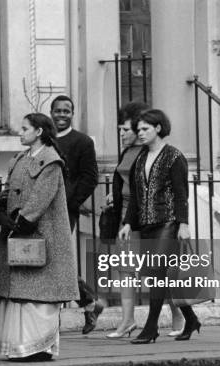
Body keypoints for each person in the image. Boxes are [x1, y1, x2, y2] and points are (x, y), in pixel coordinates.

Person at [0, 112, 79, 361]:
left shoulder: (51, 161)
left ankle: (39, 347)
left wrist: (23, 221)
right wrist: (1, 210)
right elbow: (9, 189)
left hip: (42, 237)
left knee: (39, 296)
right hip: (19, 235)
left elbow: (41, 197)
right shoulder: (20, 159)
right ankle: (20, 347)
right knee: (20, 295)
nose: (20, 132)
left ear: (38, 132)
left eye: (24, 128)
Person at [119, 109, 201, 343]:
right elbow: (135, 196)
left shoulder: (174, 156)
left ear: (158, 128)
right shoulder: (140, 158)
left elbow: (180, 194)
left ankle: (150, 328)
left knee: (156, 274)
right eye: (138, 130)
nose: (140, 133)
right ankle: (191, 319)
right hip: (146, 224)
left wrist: (183, 224)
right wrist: (127, 223)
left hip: (168, 222)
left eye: (145, 129)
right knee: (164, 277)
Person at [50, 95, 102, 334]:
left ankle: (87, 302)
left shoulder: (82, 141)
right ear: (51, 112)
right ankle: (90, 302)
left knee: (54, 257)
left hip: (64, 209)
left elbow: (90, 177)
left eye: (66, 111)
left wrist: (71, 202)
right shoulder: (44, 139)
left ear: (72, 113)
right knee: (51, 259)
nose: (62, 114)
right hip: (40, 208)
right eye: (58, 110)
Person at [103, 104, 147, 338]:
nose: (121, 134)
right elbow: (122, 179)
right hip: (124, 216)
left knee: (156, 271)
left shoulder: (148, 152)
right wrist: (114, 195)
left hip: (143, 217)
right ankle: (127, 320)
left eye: (124, 129)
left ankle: (181, 316)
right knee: (126, 270)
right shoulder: (126, 152)